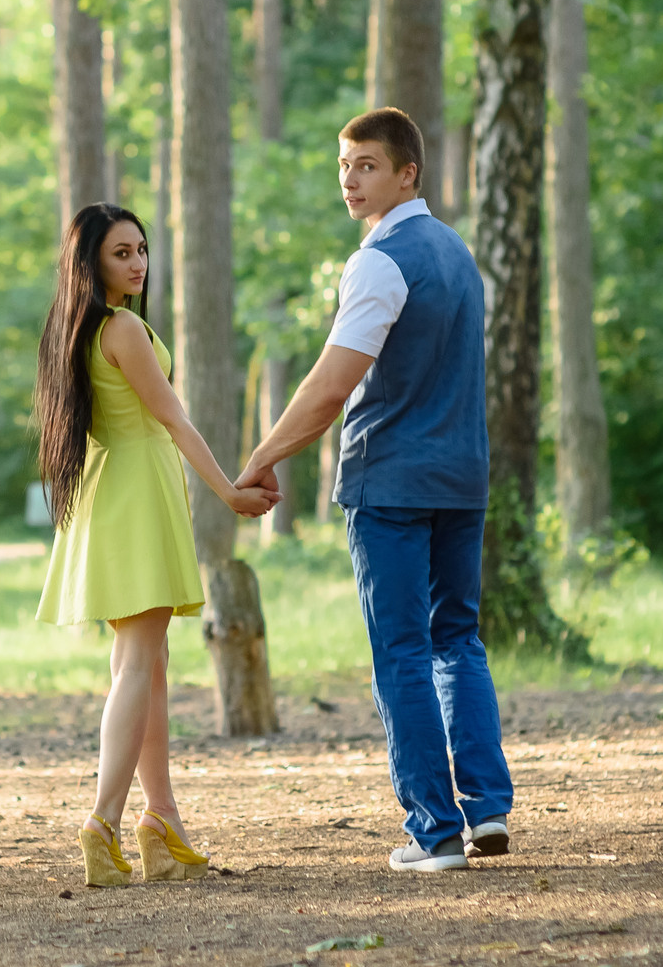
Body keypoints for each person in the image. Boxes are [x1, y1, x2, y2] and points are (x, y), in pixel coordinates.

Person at [237, 109, 515, 872]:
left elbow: (332, 386)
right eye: (345, 165)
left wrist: (262, 456)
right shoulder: (458, 254)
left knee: (402, 649)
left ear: (407, 173)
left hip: (392, 481)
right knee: (457, 638)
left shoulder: (380, 260)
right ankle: (487, 808)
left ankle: (435, 830)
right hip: (463, 477)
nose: (351, 179)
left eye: (366, 165)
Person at [34, 202, 276, 887]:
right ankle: (103, 823)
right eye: (121, 253)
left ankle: (159, 822)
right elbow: (172, 417)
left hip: (113, 491)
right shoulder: (124, 328)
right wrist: (230, 491)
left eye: (141, 249)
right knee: (138, 663)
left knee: (148, 663)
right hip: (135, 491)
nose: (137, 262)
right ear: (92, 262)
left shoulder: (76, 329)